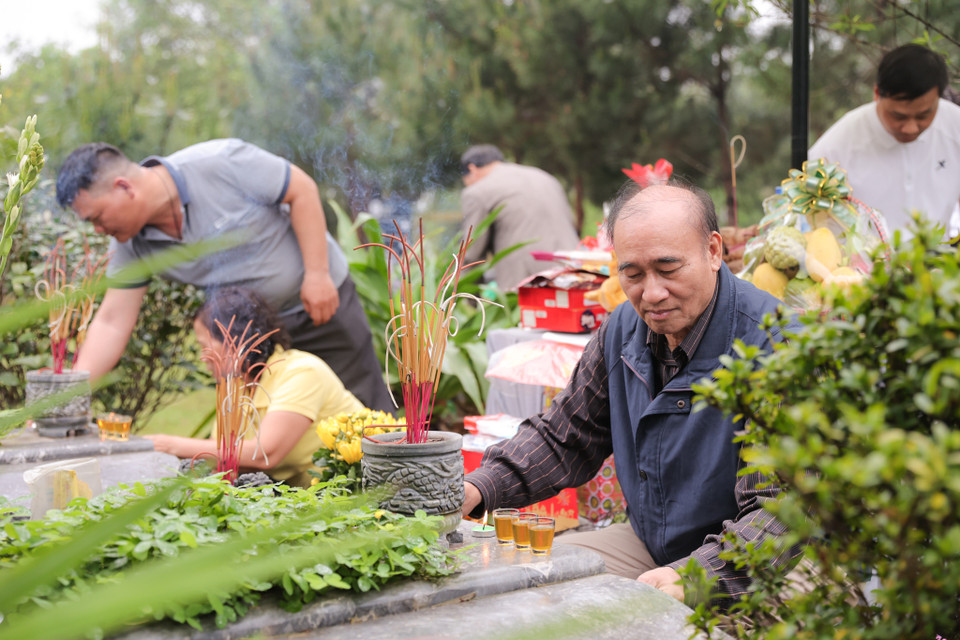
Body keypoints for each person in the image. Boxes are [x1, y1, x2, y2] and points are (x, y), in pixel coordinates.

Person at [462, 180, 802, 604]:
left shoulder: (775, 345)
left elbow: (780, 512)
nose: (652, 294)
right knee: (531, 588)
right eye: (633, 274)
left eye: (668, 268)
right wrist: (476, 489)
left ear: (713, 251)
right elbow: (564, 437)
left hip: (755, 567)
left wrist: (695, 576)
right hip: (651, 544)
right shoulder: (622, 330)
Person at [55, 139, 393, 413]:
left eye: (97, 217)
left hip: (320, 308)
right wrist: (67, 394)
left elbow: (301, 189)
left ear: (124, 187)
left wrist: (317, 275)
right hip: (251, 341)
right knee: (259, 444)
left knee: (365, 417)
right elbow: (113, 321)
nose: (99, 231)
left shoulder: (222, 162)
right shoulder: (131, 244)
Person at [145, 287, 364, 487]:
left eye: (205, 345)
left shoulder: (302, 372)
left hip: (360, 496)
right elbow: (222, 459)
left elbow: (264, 454)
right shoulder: (236, 386)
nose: (203, 357)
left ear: (235, 341)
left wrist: (167, 444)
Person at [808, 43, 960, 240]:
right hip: (863, 266)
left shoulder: (954, 125)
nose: (911, 128)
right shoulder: (838, 145)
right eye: (899, 116)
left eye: (924, 115)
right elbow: (805, 217)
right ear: (877, 94)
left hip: (940, 262)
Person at [459, 144, 580, 290]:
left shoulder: (477, 191)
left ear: (471, 169)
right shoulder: (544, 177)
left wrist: (469, 298)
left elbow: (472, 252)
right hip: (574, 271)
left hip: (528, 283)